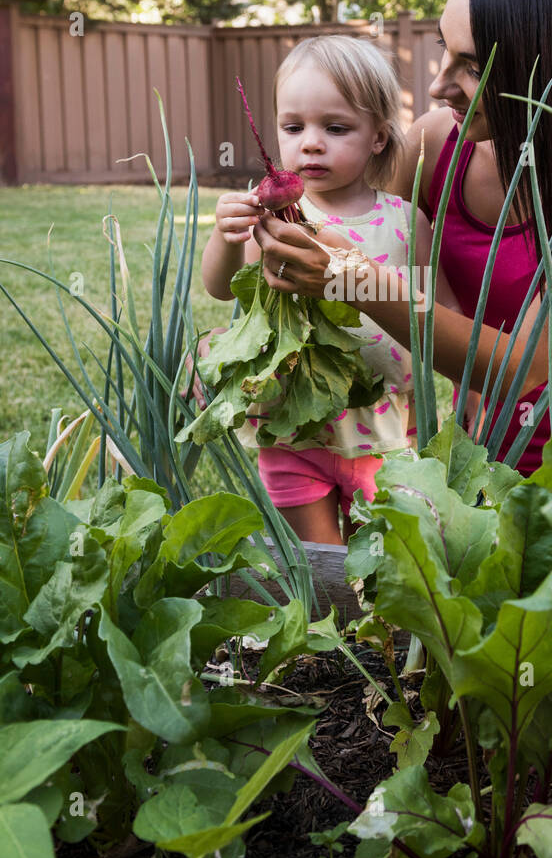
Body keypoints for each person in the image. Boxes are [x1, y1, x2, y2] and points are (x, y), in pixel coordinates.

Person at [249, 0, 552, 487]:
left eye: (471, 67)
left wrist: (350, 277)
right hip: (479, 455)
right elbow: (372, 252)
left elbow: (524, 368)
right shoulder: (433, 147)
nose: (436, 86)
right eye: (442, 50)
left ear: (550, 66)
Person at [200, 34, 469, 544]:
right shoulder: (275, 220)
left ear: (379, 138)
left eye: (336, 127)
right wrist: (226, 235)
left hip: (385, 431)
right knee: (319, 568)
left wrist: (464, 387)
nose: (311, 143)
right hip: (294, 430)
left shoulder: (406, 221)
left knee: (389, 564)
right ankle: (327, 626)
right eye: (293, 127)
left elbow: (437, 313)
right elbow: (220, 289)